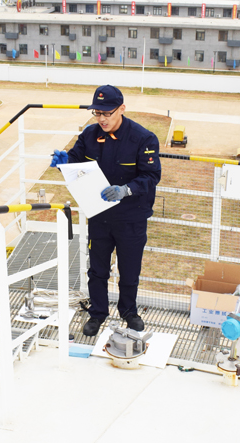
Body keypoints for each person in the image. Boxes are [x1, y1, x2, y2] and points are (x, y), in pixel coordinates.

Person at [50, 85, 161, 336]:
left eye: (106, 113)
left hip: (131, 217)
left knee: (129, 269)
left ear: (122, 108)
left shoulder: (143, 138)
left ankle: (129, 312)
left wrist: (125, 190)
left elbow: (152, 176)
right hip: (99, 215)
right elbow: (75, 161)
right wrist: (63, 162)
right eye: (96, 113)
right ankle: (98, 313)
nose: (101, 119)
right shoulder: (89, 135)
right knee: (97, 270)